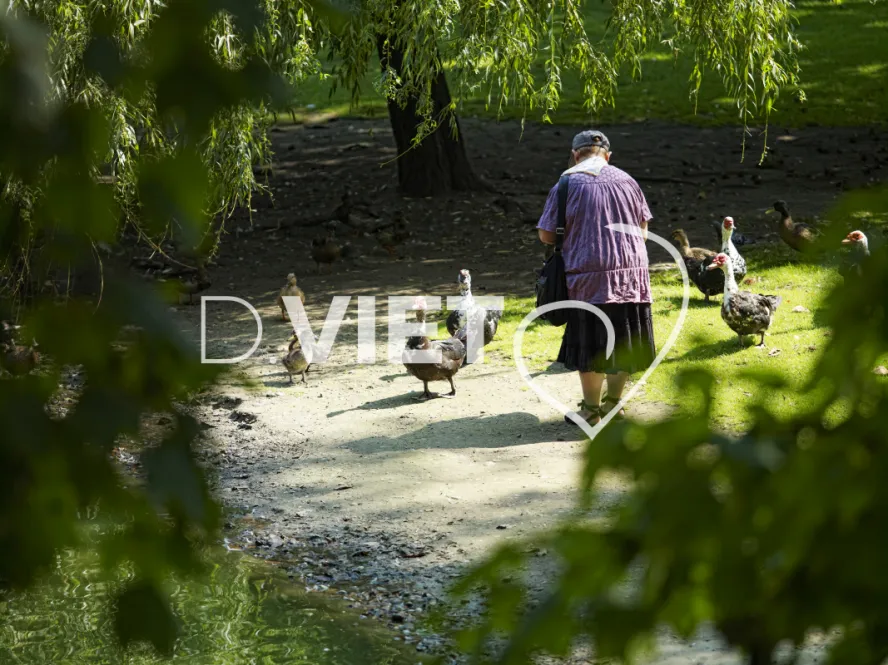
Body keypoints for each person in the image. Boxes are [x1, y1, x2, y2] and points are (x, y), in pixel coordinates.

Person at [536, 129, 656, 425]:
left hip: (587, 277)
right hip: (631, 277)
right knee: (624, 340)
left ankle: (590, 411)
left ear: (575, 154)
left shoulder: (567, 183)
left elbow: (546, 234)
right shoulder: (628, 180)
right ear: (608, 155)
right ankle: (614, 406)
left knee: (590, 342)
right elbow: (643, 231)